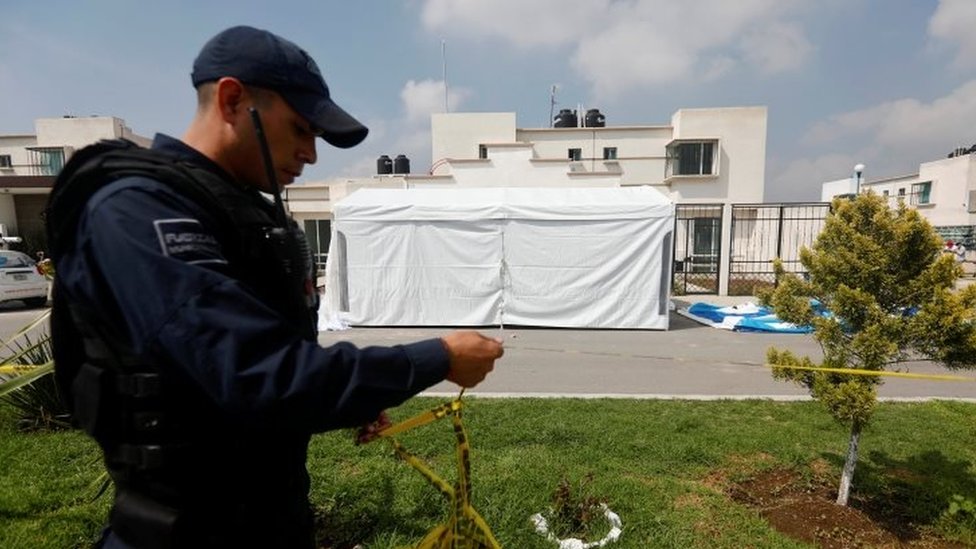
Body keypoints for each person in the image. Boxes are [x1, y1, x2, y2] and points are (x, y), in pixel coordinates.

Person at [46, 26, 503, 549]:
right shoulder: (137, 212)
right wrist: (437, 357)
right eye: (301, 129)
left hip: (269, 520)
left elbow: (280, 361)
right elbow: (258, 375)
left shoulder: (234, 210)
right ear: (233, 99)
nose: (310, 154)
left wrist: (349, 398)